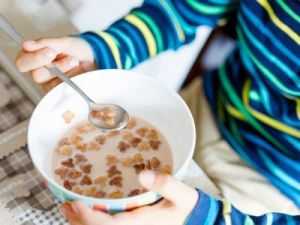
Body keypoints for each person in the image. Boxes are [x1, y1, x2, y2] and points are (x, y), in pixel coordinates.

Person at [15, 0, 300, 224]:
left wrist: (208, 219)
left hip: (271, 186)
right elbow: (182, 10)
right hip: (209, 104)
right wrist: (102, 49)